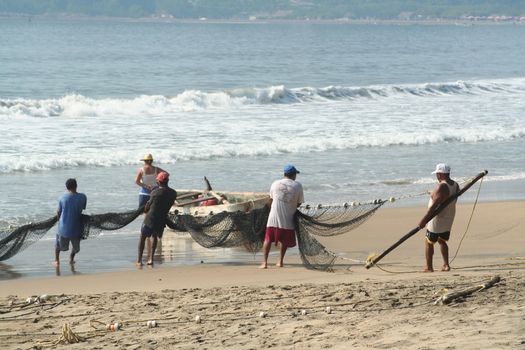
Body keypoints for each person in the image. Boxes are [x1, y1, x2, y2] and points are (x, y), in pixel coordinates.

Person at [260, 164, 304, 269]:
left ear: (284, 174)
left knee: (268, 239)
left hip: (273, 217)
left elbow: (270, 200)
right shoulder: (298, 186)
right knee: (284, 240)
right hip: (288, 218)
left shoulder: (275, 183)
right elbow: (299, 203)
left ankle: (264, 263)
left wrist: (272, 209)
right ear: (293, 175)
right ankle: (280, 262)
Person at [418, 163, 460, 272]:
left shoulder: (442, 186)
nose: (436, 176)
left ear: (440, 174)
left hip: (437, 218)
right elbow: (447, 199)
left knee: (429, 241)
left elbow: (434, 206)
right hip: (449, 217)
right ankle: (446, 265)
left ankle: (429, 267)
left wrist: (424, 219)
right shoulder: (455, 185)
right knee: (442, 240)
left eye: (437, 174)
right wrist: (432, 194)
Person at [137, 171, 177, 266]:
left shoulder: (155, 192)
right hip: (161, 219)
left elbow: (147, 209)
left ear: (158, 182)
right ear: (167, 181)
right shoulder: (173, 193)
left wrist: (146, 205)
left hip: (150, 219)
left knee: (142, 237)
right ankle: (151, 259)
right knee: (154, 237)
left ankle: (139, 261)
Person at [135, 153, 165, 257]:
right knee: (153, 213)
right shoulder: (157, 169)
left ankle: (145, 232)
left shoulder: (141, 170)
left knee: (145, 213)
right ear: (151, 161)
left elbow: (137, 182)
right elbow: (167, 174)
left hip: (144, 193)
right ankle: (152, 231)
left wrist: (145, 185)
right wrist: (158, 182)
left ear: (144, 161)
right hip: (155, 193)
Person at [55, 178, 87, 266]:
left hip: (63, 227)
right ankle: (71, 259)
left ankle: (57, 260)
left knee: (59, 246)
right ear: (76, 186)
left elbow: (58, 212)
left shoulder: (62, 198)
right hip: (76, 227)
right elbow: (83, 208)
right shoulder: (83, 196)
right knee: (76, 248)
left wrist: (58, 220)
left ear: (66, 187)